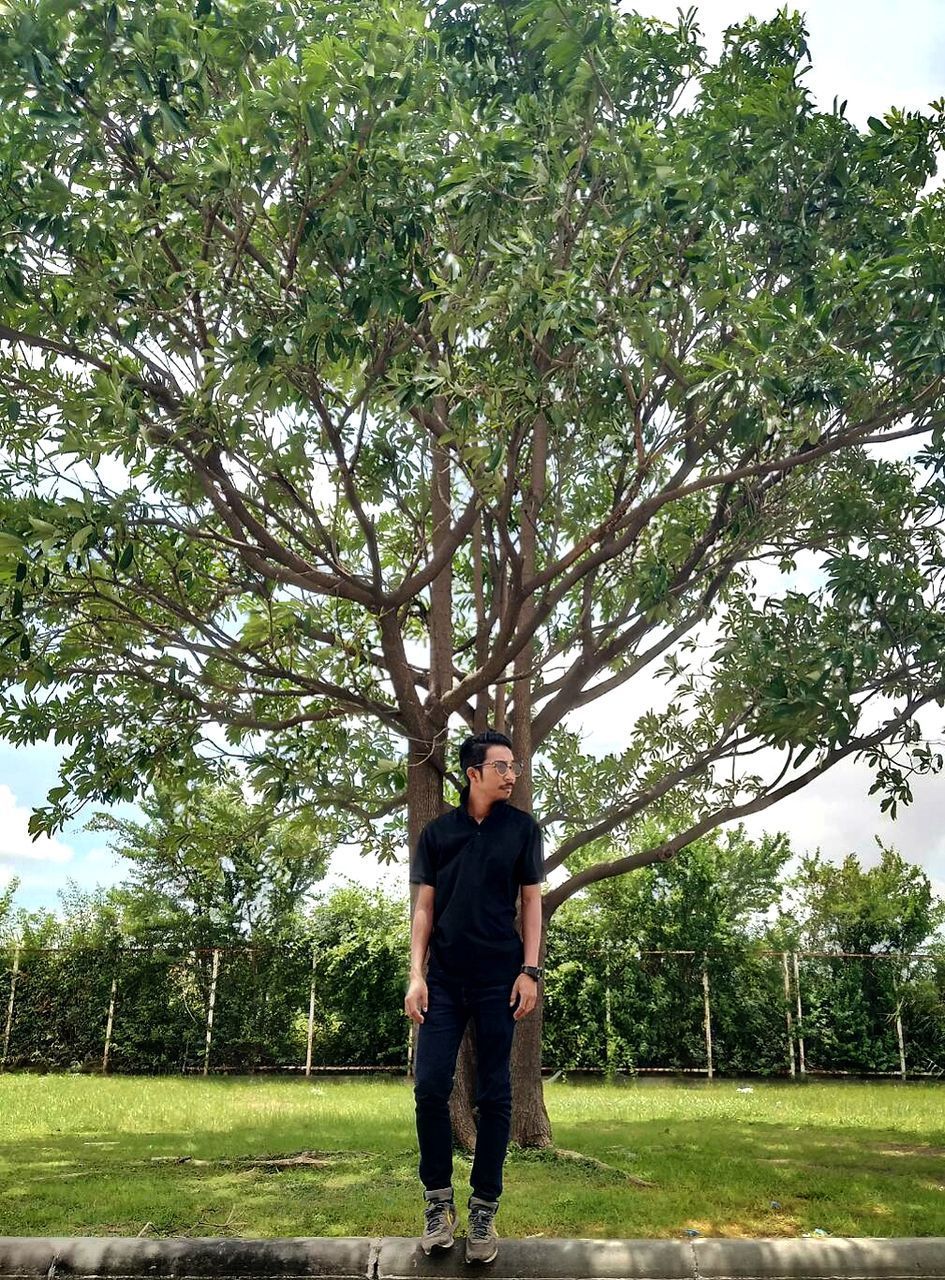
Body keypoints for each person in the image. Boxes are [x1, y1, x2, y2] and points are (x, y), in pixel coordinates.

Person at [405, 729, 544, 1264]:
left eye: (514, 766)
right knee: (430, 1088)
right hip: (442, 981)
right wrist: (417, 974)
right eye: (503, 766)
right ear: (473, 774)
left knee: (495, 1096)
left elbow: (531, 902)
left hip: (498, 980)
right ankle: (438, 1203)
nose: (513, 774)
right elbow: (424, 909)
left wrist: (529, 970)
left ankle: (484, 1206)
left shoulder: (523, 830)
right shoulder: (438, 834)